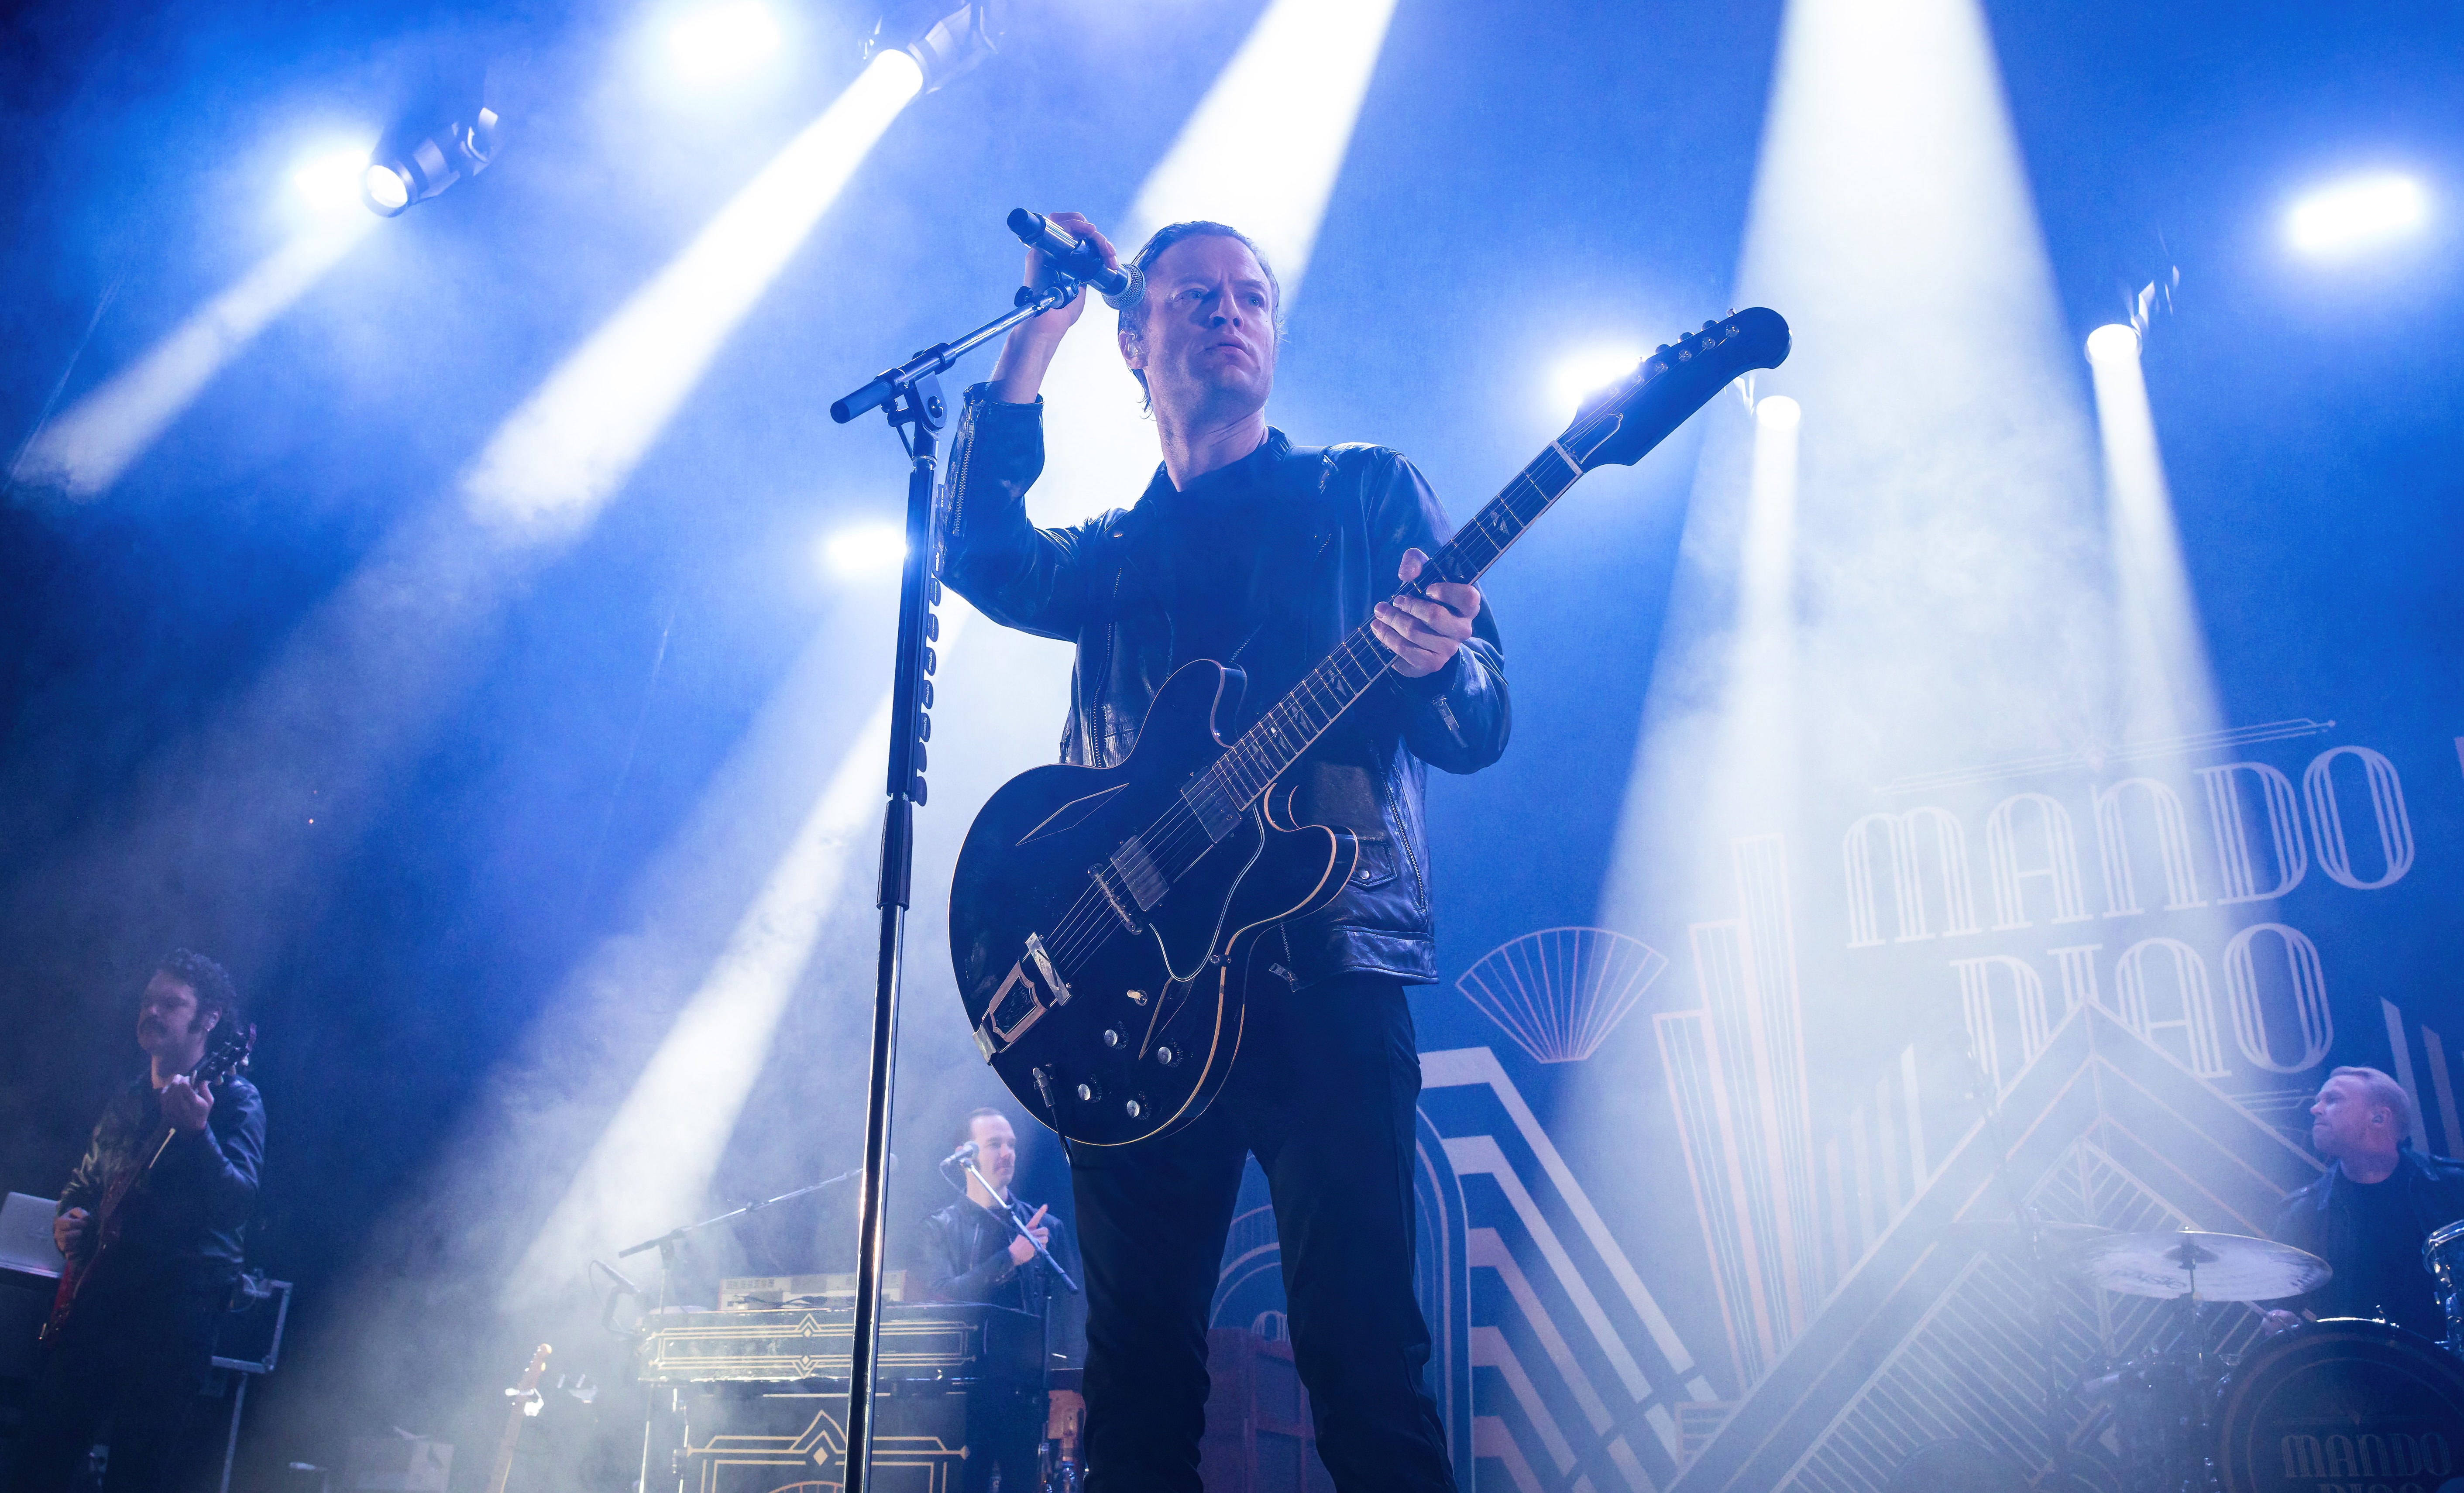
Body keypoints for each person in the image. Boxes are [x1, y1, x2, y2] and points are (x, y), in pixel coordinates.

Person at [940, 213, 1508, 1493]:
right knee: (1135, 1386)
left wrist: (1436, 664)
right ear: (1135, 345)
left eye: (1250, 294)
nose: (1229, 311)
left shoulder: (1364, 493)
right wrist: (1036, 332)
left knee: (1362, 1360)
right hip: (1130, 997)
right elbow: (976, 554)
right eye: (1194, 297)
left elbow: (1482, 720)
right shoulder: (1123, 551)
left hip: (1324, 969)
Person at [10, 951, 265, 1493]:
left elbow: (237, 1203)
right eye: (149, 1000)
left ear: (210, 1018)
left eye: (171, 1004)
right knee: (39, 1459)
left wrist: (198, 1135)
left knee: (141, 1474)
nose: (152, 1011)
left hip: (174, 1317)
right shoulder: (127, 1099)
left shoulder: (234, 1099)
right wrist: (68, 1219)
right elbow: (84, 1182)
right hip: (99, 1303)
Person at [921, 1107, 1086, 1493]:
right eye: (995, 1143)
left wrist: (1069, 1385)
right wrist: (1010, 1257)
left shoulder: (1046, 1228)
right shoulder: (938, 1228)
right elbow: (942, 1297)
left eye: (1011, 1144)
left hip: (1026, 1396)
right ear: (965, 1155)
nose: (1008, 1153)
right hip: (961, 1397)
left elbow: (1070, 1317)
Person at [2262, 1065, 2464, 1339]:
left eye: (2332, 1100)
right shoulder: (2303, 1213)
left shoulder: (2453, 1187)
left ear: (2379, 1117)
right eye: (2318, 1101)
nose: (2315, 1109)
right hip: (2360, 1373)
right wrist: (2280, 1320)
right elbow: (2283, 1307)